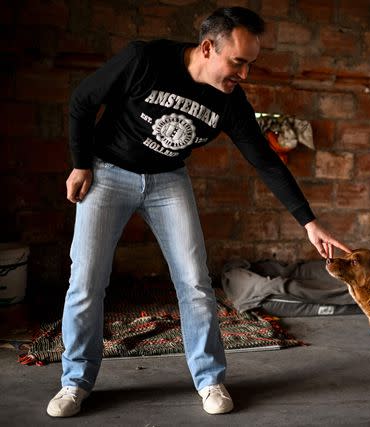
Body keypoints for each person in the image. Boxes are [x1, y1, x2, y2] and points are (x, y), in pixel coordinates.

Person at [46, 6, 351, 418]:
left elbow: (264, 160)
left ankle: (210, 379)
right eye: (238, 62)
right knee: (86, 280)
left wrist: (309, 222)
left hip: (167, 179)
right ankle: (75, 382)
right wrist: (81, 163)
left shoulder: (230, 102)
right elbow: (83, 101)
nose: (244, 75)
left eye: (250, 65)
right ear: (208, 48)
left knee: (194, 282)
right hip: (108, 172)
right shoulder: (145, 60)